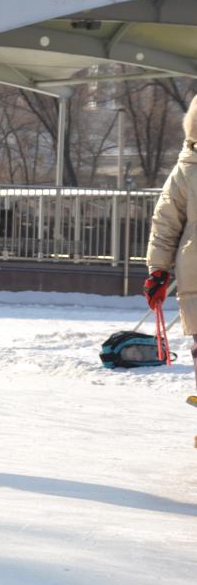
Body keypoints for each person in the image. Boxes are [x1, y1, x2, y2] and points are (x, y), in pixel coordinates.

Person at [144, 96, 197, 396]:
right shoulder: (187, 169)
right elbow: (165, 223)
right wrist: (158, 270)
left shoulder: (185, 169)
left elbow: (165, 223)